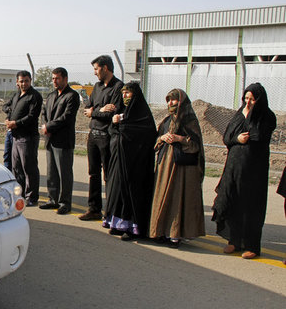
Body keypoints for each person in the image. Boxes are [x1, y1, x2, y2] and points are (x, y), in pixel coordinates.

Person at [212, 83, 277, 259]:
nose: (248, 103)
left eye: (252, 99)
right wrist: (237, 138)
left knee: (251, 207)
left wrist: (249, 116)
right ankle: (233, 241)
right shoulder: (238, 115)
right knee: (233, 202)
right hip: (234, 168)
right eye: (246, 99)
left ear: (259, 100)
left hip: (253, 171)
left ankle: (251, 246)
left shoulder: (267, 117)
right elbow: (227, 138)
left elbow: (258, 136)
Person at [149, 89, 205, 248]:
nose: (170, 103)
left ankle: (174, 235)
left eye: (174, 100)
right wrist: (162, 138)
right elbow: (156, 140)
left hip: (182, 169)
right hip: (165, 165)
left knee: (177, 200)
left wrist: (180, 139)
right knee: (162, 197)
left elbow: (196, 145)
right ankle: (159, 231)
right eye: (168, 100)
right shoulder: (167, 120)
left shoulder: (189, 120)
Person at [103, 82, 157, 240]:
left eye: (128, 93)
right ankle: (117, 224)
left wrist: (124, 126)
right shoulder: (121, 111)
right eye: (123, 93)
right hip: (118, 160)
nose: (125, 96)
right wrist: (114, 123)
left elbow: (145, 135)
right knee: (116, 191)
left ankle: (131, 228)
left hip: (135, 164)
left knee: (131, 194)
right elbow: (113, 132)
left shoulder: (143, 114)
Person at [78, 55, 124, 221]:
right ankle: (94, 209)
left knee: (109, 175)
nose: (95, 73)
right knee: (93, 174)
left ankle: (111, 211)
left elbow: (113, 113)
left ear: (105, 68)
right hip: (93, 135)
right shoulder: (97, 87)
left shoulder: (118, 87)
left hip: (107, 136)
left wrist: (95, 112)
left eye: (96, 69)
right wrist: (99, 110)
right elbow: (87, 109)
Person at [39, 67, 80, 215]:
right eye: (53, 78)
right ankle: (52, 199)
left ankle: (65, 202)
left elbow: (67, 117)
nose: (54, 81)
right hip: (50, 139)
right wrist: (46, 126)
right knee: (52, 173)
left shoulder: (72, 96)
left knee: (64, 173)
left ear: (65, 79)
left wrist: (49, 126)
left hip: (63, 141)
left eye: (57, 78)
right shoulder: (51, 96)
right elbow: (44, 113)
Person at [5, 71, 43, 207]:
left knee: (29, 168)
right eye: (21, 81)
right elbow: (8, 107)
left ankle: (32, 196)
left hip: (27, 137)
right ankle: (19, 193)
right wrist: (9, 118)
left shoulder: (34, 97)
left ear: (30, 80)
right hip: (15, 137)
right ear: (17, 82)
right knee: (16, 168)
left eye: (26, 81)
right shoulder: (16, 95)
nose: (23, 83)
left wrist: (16, 123)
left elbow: (32, 116)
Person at [2, 78, 21, 170]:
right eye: (18, 83)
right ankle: (7, 173)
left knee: (16, 158)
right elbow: (5, 106)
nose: (19, 85)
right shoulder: (15, 96)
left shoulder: (30, 97)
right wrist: (8, 112)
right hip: (10, 131)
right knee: (7, 155)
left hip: (19, 132)